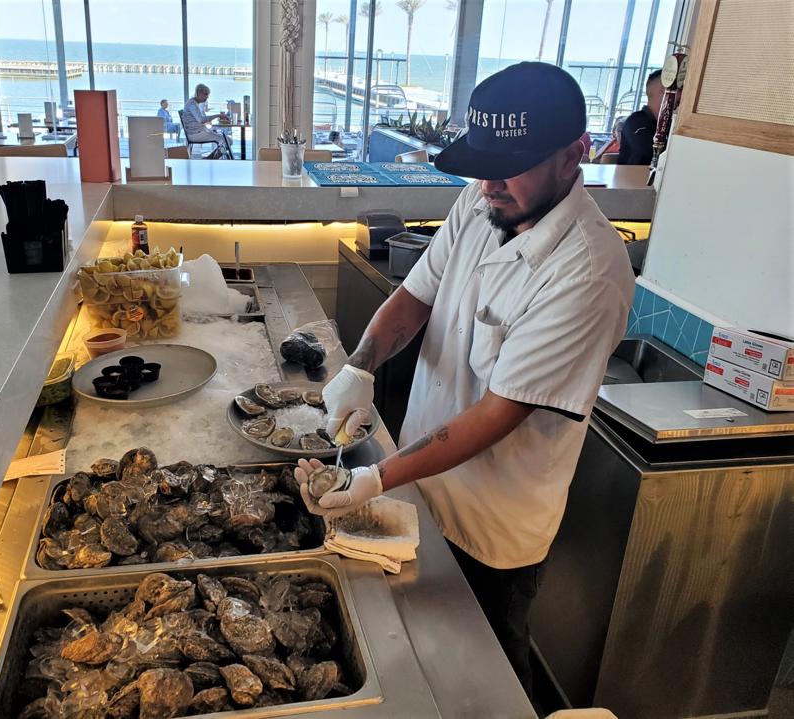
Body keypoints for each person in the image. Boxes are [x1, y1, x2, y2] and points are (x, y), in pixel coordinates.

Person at [294, 62, 634, 698]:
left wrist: (372, 478)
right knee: (423, 666)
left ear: (575, 155)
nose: (489, 183)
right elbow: (415, 296)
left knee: (487, 677)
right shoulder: (484, 200)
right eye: (483, 163)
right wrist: (359, 365)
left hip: (493, 527)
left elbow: (497, 415)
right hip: (425, 488)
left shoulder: (589, 273)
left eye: (513, 163)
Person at [618, 69, 663, 164]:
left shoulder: (666, 125)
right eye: (679, 90)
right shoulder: (636, 122)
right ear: (663, 92)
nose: (681, 95)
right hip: (632, 178)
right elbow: (655, 153)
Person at [181, 84, 233, 159]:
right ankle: (210, 159)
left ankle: (209, 158)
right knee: (228, 141)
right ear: (198, 93)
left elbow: (199, 120)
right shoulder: (192, 104)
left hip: (197, 132)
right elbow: (201, 120)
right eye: (205, 94)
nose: (207, 97)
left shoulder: (193, 103)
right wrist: (218, 115)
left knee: (226, 140)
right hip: (196, 134)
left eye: (207, 95)